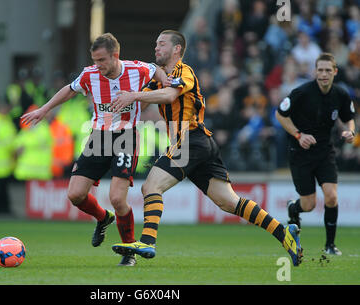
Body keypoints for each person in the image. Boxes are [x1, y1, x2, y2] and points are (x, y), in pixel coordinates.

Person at [109, 30, 303, 266]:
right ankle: (284, 233)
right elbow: (145, 97)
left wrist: (134, 96)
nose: (156, 48)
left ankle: (148, 242)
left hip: (191, 140)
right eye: (156, 44)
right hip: (199, 144)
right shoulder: (156, 80)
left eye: (161, 44)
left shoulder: (184, 71)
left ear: (177, 49)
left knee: (151, 186)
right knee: (229, 202)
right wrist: (125, 96)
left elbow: (170, 96)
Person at [21, 33, 170, 266]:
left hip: (126, 137)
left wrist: (167, 80)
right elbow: (69, 90)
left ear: (115, 56)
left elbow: (155, 69)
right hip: (98, 138)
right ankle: (103, 218)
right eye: (95, 60)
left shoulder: (135, 70)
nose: (97, 65)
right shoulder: (90, 74)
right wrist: (44, 109)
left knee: (117, 198)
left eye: (101, 60)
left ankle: (128, 252)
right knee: (75, 195)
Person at [275, 53, 356, 255]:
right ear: (315, 71)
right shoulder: (301, 93)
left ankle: (330, 245)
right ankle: (294, 208)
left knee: (331, 197)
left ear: (335, 72)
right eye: (320, 70)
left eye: (328, 70)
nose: (324, 74)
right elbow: (280, 114)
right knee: (309, 205)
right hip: (300, 153)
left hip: (324, 152)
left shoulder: (341, 95)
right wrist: (298, 135)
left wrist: (350, 131)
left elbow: (349, 118)